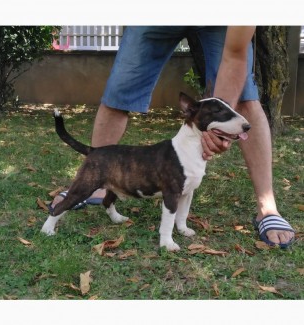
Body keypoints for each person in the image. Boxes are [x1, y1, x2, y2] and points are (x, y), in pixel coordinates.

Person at [51, 26, 295, 248]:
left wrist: (220, 124)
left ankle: (267, 207)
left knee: (245, 100)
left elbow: (236, 53)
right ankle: (95, 184)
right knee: (119, 93)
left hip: (222, 23)